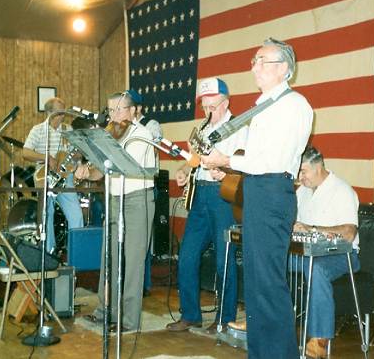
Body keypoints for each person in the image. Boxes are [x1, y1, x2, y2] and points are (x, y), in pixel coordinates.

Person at [201, 38, 313, 359]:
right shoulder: (265, 105)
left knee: (268, 286)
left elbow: (272, 163)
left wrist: (226, 161)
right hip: (258, 191)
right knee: (256, 286)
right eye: (253, 60)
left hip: (272, 193)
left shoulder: (294, 105)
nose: (254, 66)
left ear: (283, 69)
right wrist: (229, 171)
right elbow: (256, 158)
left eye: (261, 60)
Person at [166, 78, 247, 334]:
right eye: (205, 105)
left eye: (213, 105)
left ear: (226, 102)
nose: (208, 111)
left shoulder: (238, 127)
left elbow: (246, 162)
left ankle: (224, 319)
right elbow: (195, 159)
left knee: (225, 260)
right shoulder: (202, 127)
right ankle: (191, 315)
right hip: (199, 194)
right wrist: (182, 170)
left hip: (222, 196)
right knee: (187, 255)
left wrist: (222, 168)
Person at [75, 91, 156, 332]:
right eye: (111, 110)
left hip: (136, 200)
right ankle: (104, 312)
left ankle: (129, 322)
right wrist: (87, 173)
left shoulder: (141, 135)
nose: (114, 115)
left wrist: (99, 156)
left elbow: (121, 166)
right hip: (114, 199)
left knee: (132, 263)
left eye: (120, 110)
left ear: (133, 111)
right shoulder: (111, 134)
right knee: (109, 257)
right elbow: (101, 171)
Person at [290, 145, 360, 358]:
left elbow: (349, 233)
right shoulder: (302, 191)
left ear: (318, 167)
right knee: (269, 262)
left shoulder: (342, 191)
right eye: (298, 172)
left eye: (304, 171)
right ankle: (262, 320)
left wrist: (311, 229)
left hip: (341, 256)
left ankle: (319, 340)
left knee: (317, 269)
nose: (300, 177)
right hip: (307, 253)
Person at [22, 97, 84, 255]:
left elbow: (76, 154)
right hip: (44, 177)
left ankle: (76, 255)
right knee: (46, 214)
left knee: (76, 215)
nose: (62, 116)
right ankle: (48, 254)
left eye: (63, 112)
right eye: (59, 112)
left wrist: (77, 156)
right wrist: (47, 158)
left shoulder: (68, 130)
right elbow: (26, 152)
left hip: (65, 177)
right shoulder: (38, 130)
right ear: (49, 112)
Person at [127, 89, 162, 297]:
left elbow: (153, 149)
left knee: (141, 243)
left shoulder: (151, 125)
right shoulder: (121, 128)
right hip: (124, 187)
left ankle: (143, 286)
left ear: (137, 108)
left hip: (143, 186)